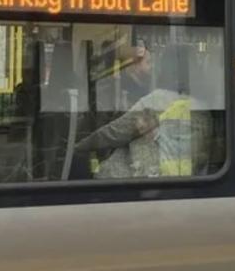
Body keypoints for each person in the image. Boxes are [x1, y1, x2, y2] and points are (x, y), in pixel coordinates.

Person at [76, 46, 210, 179]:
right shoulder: (204, 109)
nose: (152, 68)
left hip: (139, 177)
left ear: (166, 69)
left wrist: (78, 147)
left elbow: (115, 132)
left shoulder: (160, 99)